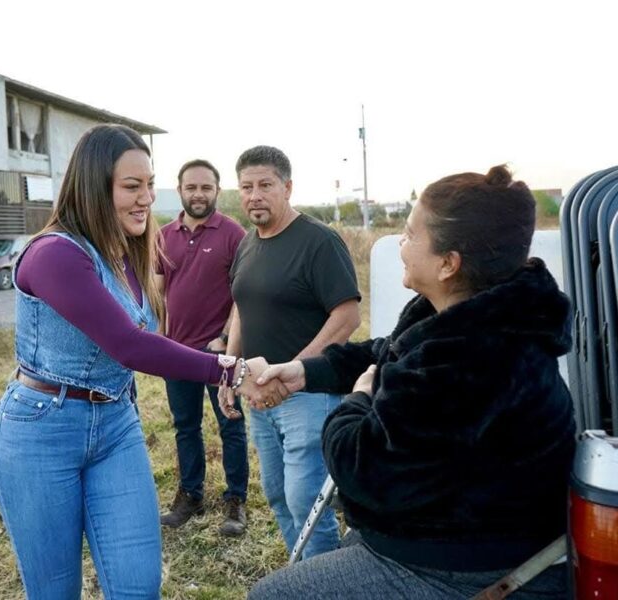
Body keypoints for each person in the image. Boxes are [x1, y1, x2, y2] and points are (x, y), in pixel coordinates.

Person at [247, 165, 575, 599]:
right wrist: (304, 372)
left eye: (409, 234)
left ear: (448, 263)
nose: (400, 245)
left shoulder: (472, 359)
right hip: (444, 539)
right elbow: (386, 352)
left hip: (467, 566)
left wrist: (357, 402)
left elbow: (363, 470)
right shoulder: (471, 317)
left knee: (271, 596)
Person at [0, 125, 284, 600]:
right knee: (55, 591)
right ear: (93, 186)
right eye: (131, 186)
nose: (147, 197)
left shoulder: (128, 250)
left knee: (137, 586)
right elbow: (128, 344)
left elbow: (146, 335)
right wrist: (234, 370)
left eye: (149, 184)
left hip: (116, 425)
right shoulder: (54, 254)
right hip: (42, 431)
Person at [222, 145, 362, 558]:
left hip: (308, 396)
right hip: (261, 396)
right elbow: (241, 309)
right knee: (278, 496)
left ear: (287, 187)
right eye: (246, 187)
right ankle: (301, 576)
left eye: (265, 185)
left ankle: (325, 580)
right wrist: (231, 372)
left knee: (308, 503)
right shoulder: (247, 244)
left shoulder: (318, 242)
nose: (254, 195)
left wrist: (296, 368)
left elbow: (348, 315)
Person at [156, 159, 249, 536]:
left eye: (206, 188)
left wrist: (225, 337)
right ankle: (191, 495)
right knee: (185, 427)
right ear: (179, 190)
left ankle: (236, 500)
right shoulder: (163, 234)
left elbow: (243, 295)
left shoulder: (233, 234)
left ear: (217, 191)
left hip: (219, 351)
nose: (198, 194)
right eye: (191, 187)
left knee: (230, 423)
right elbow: (157, 292)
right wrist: (159, 339)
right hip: (176, 352)